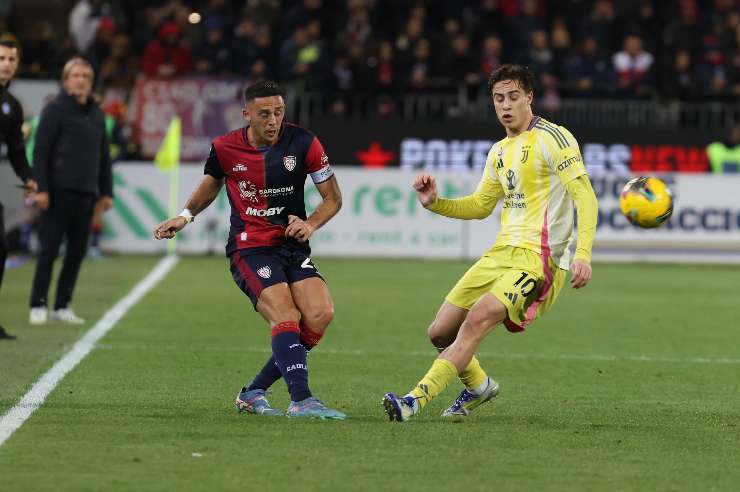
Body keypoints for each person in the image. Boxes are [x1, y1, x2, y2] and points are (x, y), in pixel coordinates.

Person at [382, 65, 599, 421]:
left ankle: (413, 401)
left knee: (477, 320)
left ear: (529, 97)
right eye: (499, 98)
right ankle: (479, 385)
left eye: (513, 96)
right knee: (440, 332)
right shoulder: (499, 150)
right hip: (500, 254)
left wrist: (584, 254)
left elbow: (585, 196)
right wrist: (436, 202)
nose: (505, 105)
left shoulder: (554, 138)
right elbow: (481, 205)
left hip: (539, 258)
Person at [153, 80, 345, 420]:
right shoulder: (225, 148)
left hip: (292, 245)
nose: (273, 121)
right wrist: (185, 216)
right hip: (250, 248)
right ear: (247, 115)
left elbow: (333, 198)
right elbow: (211, 185)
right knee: (286, 316)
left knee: (320, 314)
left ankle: (253, 392)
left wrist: (311, 223)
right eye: (265, 114)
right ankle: (301, 398)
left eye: (279, 112)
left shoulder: (304, 142)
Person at [29, 57, 113, 325]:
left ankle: (62, 306)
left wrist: (106, 192)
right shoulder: (54, 110)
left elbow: (103, 158)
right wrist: (42, 188)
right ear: (66, 80)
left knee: (77, 253)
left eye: (86, 76)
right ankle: (38, 304)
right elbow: (41, 152)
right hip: (57, 191)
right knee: (49, 250)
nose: (81, 80)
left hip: (86, 193)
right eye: (75, 75)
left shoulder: (97, 114)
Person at [0, 37, 37, 340]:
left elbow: (15, 149)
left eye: (11, 59)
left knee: (2, 249)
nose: (6, 64)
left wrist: (28, 177)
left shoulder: (12, 106)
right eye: (1, 58)